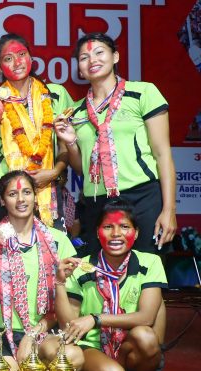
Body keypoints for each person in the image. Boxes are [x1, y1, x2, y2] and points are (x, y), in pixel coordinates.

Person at [53, 33, 176, 254]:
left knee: (146, 268)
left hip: (142, 197)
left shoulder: (143, 93)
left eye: (99, 52)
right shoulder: (76, 112)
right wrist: (70, 142)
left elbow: (162, 154)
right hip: (97, 202)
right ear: (79, 69)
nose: (92, 60)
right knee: (100, 272)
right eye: (84, 57)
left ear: (115, 56)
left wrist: (169, 210)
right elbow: (82, 169)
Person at [0, 170, 77, 371]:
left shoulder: (58, 241)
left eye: (26, 192)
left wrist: (32, 334)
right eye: (12, 194)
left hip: (42, 333)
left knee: (73, 356)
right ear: (2, 200)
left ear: (35, 196)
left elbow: (65, 311)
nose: (21, 199)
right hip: (0, 333)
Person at [54, 199, 166, 371]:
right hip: (92, 347)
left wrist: (95, 318)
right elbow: (68, 325)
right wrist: (59, 282)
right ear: (98, 232)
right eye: (108, 226)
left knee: (146, 334)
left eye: (124, 226)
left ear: (136, 232)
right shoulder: (81, 267)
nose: (116, 234)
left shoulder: (150, 262)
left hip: (129, 344)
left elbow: (146, 317)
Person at [0, 33, 74, 229]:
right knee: (4, 249)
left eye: (22, 54)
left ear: (31, 58)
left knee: (51, 247)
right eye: (8, 59)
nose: (17, 62)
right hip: (4, 191)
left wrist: (55, 172)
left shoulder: (55, 94)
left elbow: (68, 145)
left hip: (47, 185)